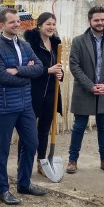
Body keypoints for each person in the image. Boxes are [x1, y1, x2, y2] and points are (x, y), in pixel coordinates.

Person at [0, 8, 47, 205]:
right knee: (3, 150)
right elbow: (1, 77)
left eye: (17, 21)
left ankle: (24, 183)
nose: (16, 24)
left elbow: (38, 68)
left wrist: (18, 71)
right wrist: (26, 77)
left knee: (31, 143)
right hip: (4, 107)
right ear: (2, 24)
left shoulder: (25, 45)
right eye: (12, 22)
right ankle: (2, 190)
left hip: (25, 105)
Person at [65, 6, 104, 174]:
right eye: (96, 20)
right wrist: (90, 85)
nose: (100, 23)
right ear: (90, 21)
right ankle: (72, 160)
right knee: (79, 126)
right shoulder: (78, 41)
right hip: (84, 91)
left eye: (102, 19)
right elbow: (74, 66)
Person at [23, 12, 63, 176]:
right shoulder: (30, 45)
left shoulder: (56, 44)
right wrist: (48, 70)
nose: (51, 27)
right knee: (28, 131)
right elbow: (27, 70)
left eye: (53, 24)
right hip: (34, 93)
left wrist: (60, 74)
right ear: (39, 25)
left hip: (52, 94)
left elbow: (58, 68)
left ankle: (41, 162)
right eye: (48, 24)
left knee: (44, 130)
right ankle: (23, 164)